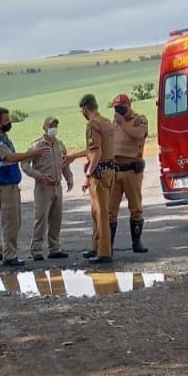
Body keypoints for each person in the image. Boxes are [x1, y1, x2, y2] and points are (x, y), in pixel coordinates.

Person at [0, 106, 46, 267]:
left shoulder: (4, 138)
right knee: (11, 222)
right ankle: (9, 256)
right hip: (5, 187)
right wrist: (32, 154)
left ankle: (4, 250)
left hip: (11, 186)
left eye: (9, 120)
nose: (9, 123)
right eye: (6, 121)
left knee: (15, 221)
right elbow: (11, 157)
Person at [20, 115, 74, 260]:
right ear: (44, 128)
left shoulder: (60, 145)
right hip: (43, 187)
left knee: (56, 218)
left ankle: (54, 248)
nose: (53, 128)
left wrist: (69, 177)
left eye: (55, 125)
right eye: (50, 126)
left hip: (57, 186)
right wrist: (36, 175)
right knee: (41, 219)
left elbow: (65, 163)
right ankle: (36, 249)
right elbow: (24, 163)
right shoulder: (37, 145)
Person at [108, 93, 150, 253]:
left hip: (132, 169)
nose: (118, 111)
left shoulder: (139, 119)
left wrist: (123, 124)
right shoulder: (115, 122)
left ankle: (137, 242)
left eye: (121, 108)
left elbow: (140, 134)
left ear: (129, 106)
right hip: (115, 170)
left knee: (135, 207)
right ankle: (108, 245)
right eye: (116, 108)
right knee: (110, 210)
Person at [77, 93, 116, 264]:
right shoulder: (106, 122)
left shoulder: (93, 125)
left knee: (101, 215)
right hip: (110, 170)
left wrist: (87, 175)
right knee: (97, 213)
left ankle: (104, 252)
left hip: (98, 174)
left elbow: (96, 152)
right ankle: (96, 246)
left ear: (85, 109)